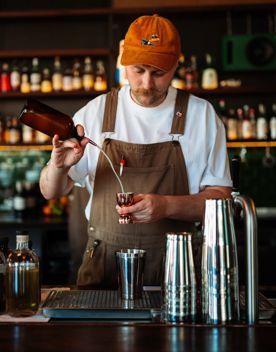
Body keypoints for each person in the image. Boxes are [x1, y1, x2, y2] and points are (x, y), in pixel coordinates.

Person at [39, 14, 232, 288]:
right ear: (124, 62)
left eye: (158, 72)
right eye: (138, 70)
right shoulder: (95, 113)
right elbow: (51, 191)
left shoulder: (201, 116)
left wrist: (166, 206)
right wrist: (58, 166)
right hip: (103, 269)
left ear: (176, 64)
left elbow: (220, 200)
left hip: (177, 271)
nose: (147, 84)